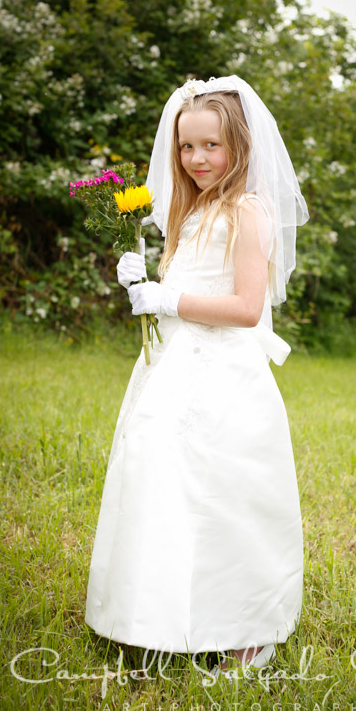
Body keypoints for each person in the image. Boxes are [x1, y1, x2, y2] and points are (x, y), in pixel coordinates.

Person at [84, 75, 309, 678]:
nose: (197, 159)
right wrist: (142, 280)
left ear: (239, 144)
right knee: (161, 481)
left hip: (223, 376)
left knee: (222, 494)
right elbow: (180, 280)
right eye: (187, 147)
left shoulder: (248, 212)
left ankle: (245, 631)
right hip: (174, 367)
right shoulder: (194, 209)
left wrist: (166, 300)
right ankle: (162, 615)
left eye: (211, 145)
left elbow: (244, 308)